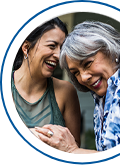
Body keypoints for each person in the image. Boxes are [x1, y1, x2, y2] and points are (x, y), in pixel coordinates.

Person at [35, 21, 120, 154]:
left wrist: (72, 151)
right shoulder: (101, 102)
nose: (83, 77)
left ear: (112, 51)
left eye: (87, 63)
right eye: (76, 73)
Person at [12, 12, 81, 154]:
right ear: (26, 47)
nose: (58, 55)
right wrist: (31, 134)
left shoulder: (66, 91)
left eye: (62, 48)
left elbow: (73, 149)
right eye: (52, 46)